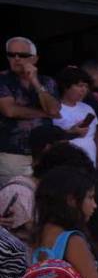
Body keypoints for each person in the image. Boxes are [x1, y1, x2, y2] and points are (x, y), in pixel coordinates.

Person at [0, 36, 60, 178]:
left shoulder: (47, 81)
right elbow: (10, 111)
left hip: (44, 154)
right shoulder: (2, 80)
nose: (16, 58)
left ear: (34, 59)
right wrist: (44, 113)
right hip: (13, 154)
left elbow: (53, 109)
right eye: (11, 54)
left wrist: (35, 81)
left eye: (23, 55)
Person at [54, 67, 98, 164]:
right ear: (66, 87)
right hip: (65, 162)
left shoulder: (88, 108)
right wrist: (71, 132)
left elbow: (96, 138)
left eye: (86, 87)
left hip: (90, 161)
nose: (84, 90)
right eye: (80, 86)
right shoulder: (54, 109)